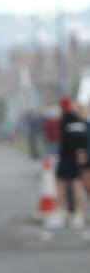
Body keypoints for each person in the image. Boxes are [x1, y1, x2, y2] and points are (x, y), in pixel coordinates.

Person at [52, 96, 87, 228]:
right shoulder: (80, 121)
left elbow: (66, 140)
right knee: (77, 184)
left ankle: (59, 214)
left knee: (61, 185)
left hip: (67, 156)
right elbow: (82, 139)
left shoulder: (66, 119)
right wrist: (80, 151)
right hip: (77, 157)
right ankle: (78, 214)